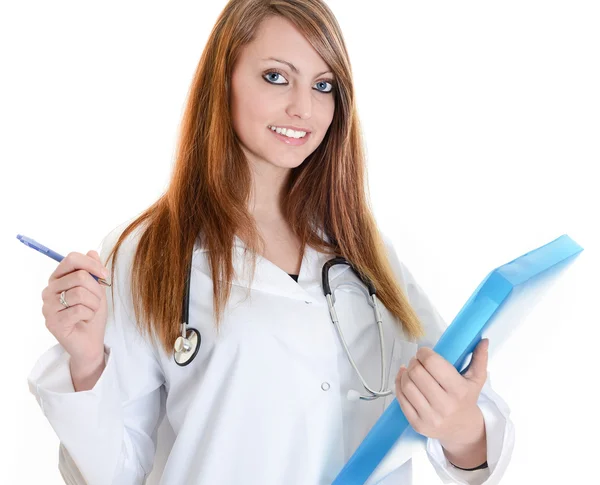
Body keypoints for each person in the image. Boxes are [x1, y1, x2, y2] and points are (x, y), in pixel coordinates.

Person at [28, 1, 515, 484]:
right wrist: (87, 361)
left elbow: (467, 435)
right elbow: (114, 473)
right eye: (277, 77)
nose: (303, 108)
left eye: (323, 85)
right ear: (224, 81)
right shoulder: (149, 251)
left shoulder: (363, 247)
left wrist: (462, 429)